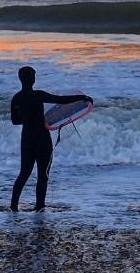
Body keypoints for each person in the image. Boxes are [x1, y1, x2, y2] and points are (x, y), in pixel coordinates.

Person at [10, 65, 93, 212]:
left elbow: (15, 121)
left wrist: (29, 119)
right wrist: (83, 98)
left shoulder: (16, 98)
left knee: (24, 173)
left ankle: (13, 206)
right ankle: (40, 207)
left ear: (20, 79)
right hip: (42, 138)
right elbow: (61, 100)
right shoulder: (38, 95)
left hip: (27, 138)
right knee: (43, 174)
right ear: (33, 79)